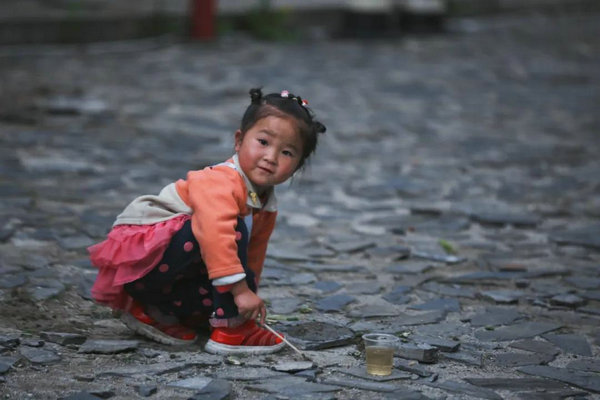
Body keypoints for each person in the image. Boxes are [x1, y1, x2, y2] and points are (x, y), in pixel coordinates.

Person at [88, 88, 326, 355]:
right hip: (143, 264)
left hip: (172, 273)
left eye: (287, 153)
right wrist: (239, 292)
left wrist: (247, 301)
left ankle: (154, 312)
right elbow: (215, 234)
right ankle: (231, 331)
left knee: (230, 260)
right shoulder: (221, 180)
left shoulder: (265, 202)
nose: (271, 157)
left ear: (297, 166)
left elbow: (252, 257)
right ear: (239, 141)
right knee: (228, 231)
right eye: (263, 142)